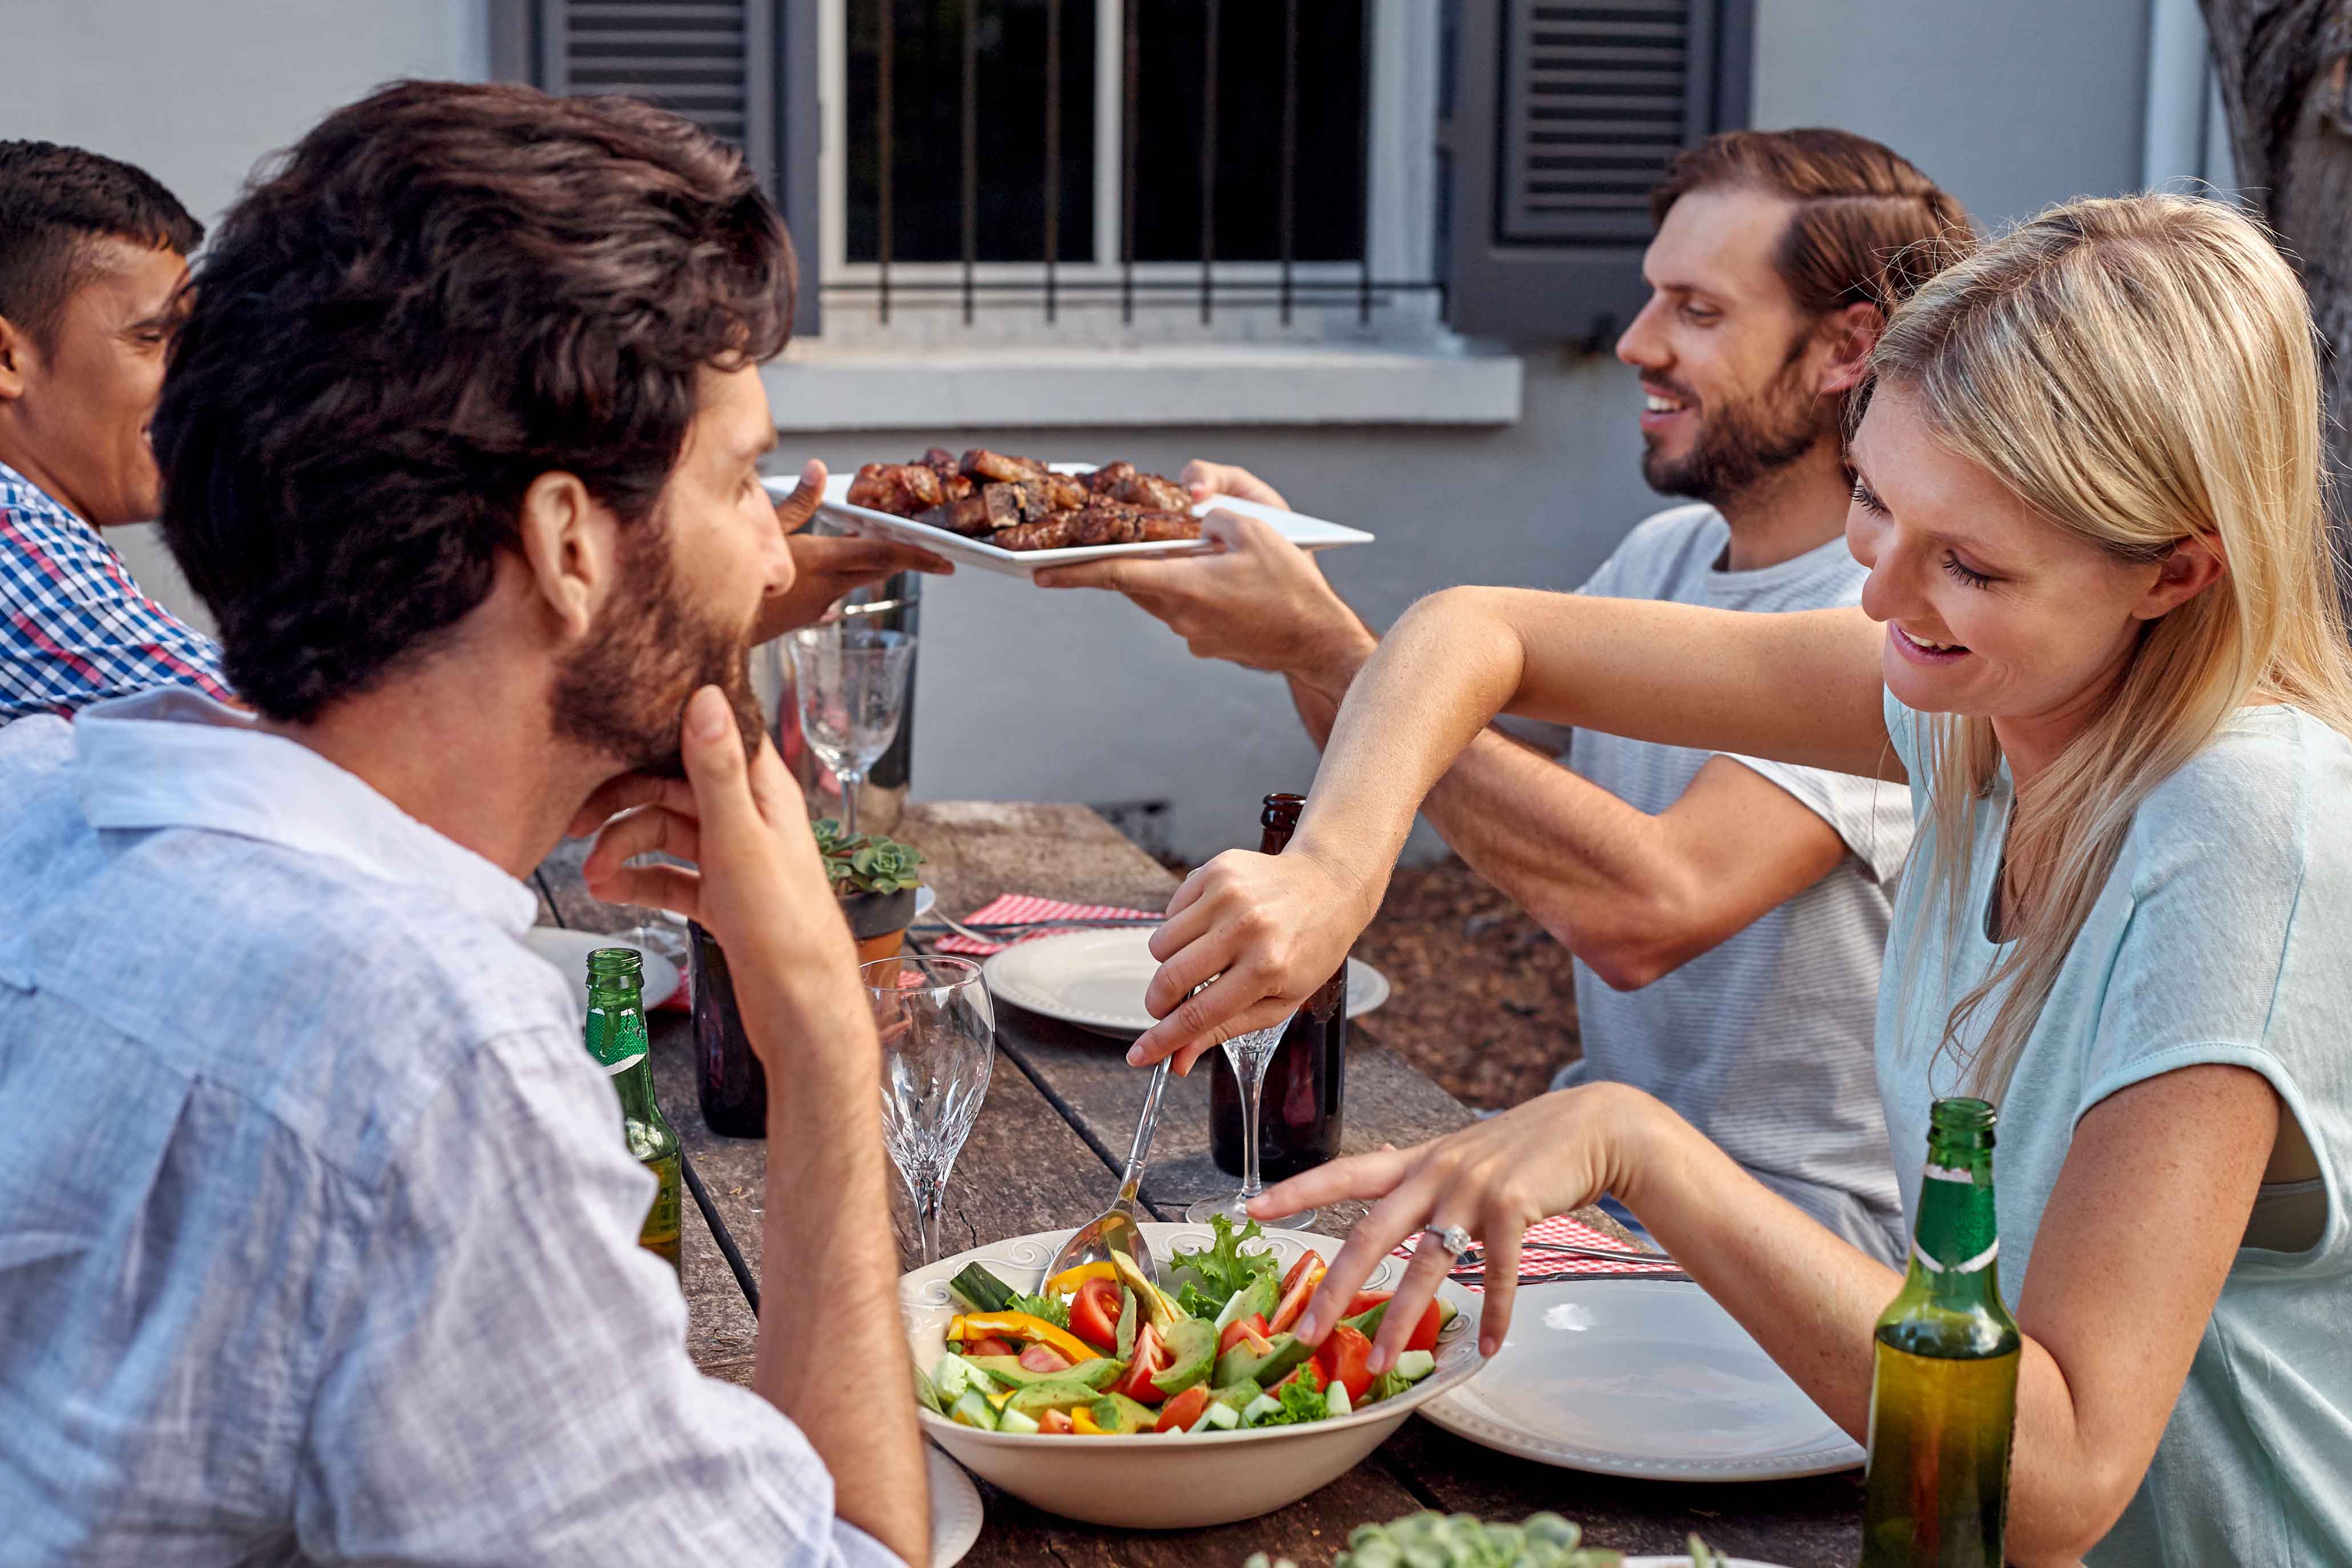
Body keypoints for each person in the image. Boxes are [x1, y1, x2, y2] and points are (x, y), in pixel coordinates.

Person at [1137, 193, 2352, 1565]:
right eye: (1875, 503)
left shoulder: (2240, 821)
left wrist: (1638, 1143)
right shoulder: (1981, 707)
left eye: (1965, 560)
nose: (1881, 594)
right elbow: (1473, 630)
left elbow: (2057, 1471)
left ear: (2174, 570)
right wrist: (1336, 871)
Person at [0, 83, 926, 1564]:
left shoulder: (42, 797)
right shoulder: (429, 1055)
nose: (773, 563)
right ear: (567, 542)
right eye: (743, 479)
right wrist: (820, 1028)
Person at [1040, 131, 1974, 1261]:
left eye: (1695, 311)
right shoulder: (1667, 556)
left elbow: (1646, 908)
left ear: (1845, 349)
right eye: (1647, 301)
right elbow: (1451, 749)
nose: (1634, 343)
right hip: (1589, 1187)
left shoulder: (1902, 625)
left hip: (1793, 1247)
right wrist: (1290, 631)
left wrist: (1325, 646)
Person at [0, 140, 939, 725]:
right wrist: (691, 612)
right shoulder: (13, 538)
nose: (192, 374)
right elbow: (294, 740)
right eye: (152, 338)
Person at [0, 139, 231, 719]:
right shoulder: (16, 551)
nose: (193, 377)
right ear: (6, 360)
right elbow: (320, 749)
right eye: (152, 339)